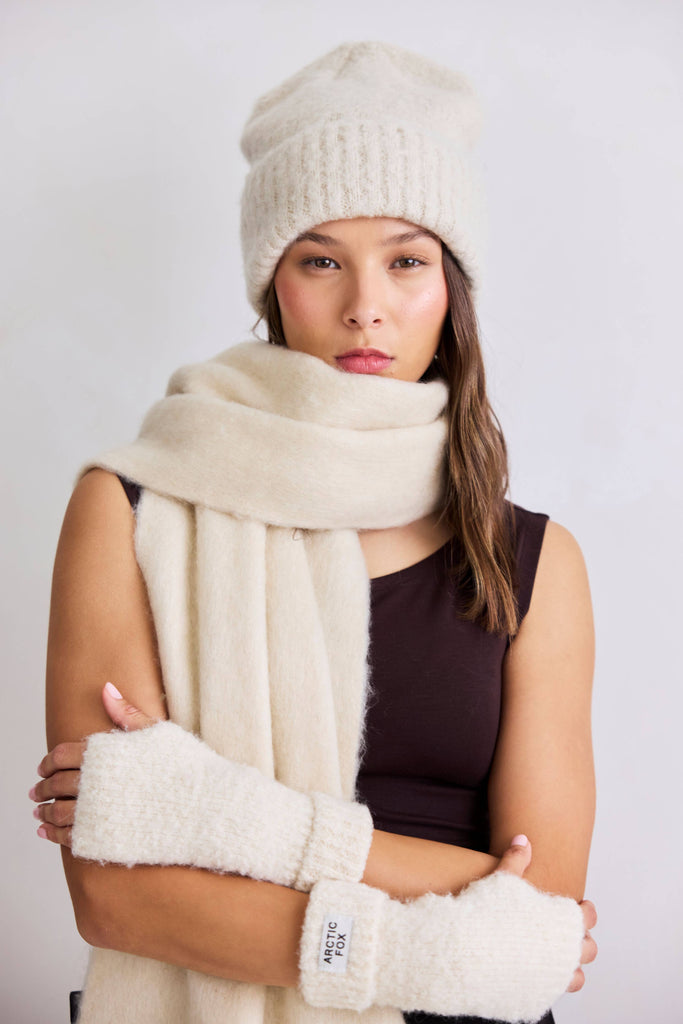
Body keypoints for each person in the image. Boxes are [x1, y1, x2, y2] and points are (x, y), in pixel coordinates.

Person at [29, 41, 597, 1024]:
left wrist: (218, 817)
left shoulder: (533, 563)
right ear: (272, 285)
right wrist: (437, 900)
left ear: (451, 287)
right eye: (320, 260)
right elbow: (116, 899)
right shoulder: (128, 506)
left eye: (406, 260)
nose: (364, 306)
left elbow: (539, 922)